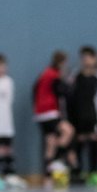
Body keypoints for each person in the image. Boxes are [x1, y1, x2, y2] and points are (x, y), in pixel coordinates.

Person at [33, 50, 73, 184]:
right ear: (61, 63)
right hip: (50, 112)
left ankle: (47, 174)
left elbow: (35, 90)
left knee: (50, 141)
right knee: (68, 131)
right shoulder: (54, 75)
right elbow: (64, 92)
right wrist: (68, 82)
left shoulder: (44, 74)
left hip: (40, 114)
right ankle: (57, 160)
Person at [0, 53, 24, 188]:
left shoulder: (9, 81)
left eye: (3, 66)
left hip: (6, 119)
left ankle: (10, 174)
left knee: (8, 147)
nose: (1, 68)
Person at [69, 46, 97, 186]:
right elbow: (72, 99)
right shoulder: (77, 77)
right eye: (84, 57)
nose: (86, 60)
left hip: (93, 115)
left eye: (89, 57)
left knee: (94, 143)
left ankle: (94, 172)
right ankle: (78, 172)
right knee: (79, 143)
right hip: (79, 116)